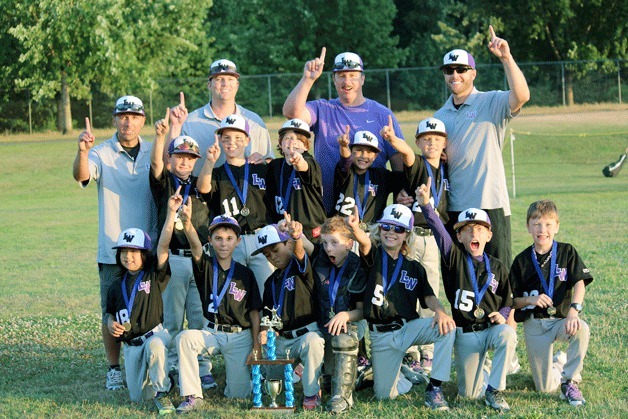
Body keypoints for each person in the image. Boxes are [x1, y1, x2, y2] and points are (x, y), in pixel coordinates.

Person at [73, 95, 157, 390]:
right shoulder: (101, 152)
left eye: (134, 116)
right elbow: (82, 175)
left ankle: (157, 363)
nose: (128, 121)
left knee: (153, 309)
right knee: (111, 312)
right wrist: (82, 151)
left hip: (149, 251)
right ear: (114, 120)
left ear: (142, 121)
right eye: (122, 115)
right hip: (112, 250)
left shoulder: (153, 151)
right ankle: (114, 369)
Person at [434, 26, 530, 267]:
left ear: (473, 73)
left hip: (491, 204)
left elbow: (522, 96)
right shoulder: (439, 116)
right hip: (455, 208)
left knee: (499, 275)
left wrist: (506, 57)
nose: (454, 74)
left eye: (461, 69)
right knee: (461, 278)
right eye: (449, 70)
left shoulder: (491, 101)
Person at [417, 182, 516, 411]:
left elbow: (507, 300)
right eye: (468, 230)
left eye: (480, 229)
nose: (474, 233)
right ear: (459, 236)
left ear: (489, 236)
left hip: (490, 329)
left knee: (508, 334)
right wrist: (426, 206)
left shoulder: (498, 267)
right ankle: (481, 370)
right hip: (466, 334)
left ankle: (495, 391)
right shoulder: (454, 258)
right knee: (469, 395)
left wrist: (502, 315)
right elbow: (438, 230)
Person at [349, 203, 456, 409]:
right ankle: (404, 373)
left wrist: (441, 312)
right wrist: (355, 229)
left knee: (447, 328)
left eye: (398, 229)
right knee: (384, 396)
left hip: (408, 329)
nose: (391, 233)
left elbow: (429, 298)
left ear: (407, 234)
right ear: (379, 230)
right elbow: (364, 243)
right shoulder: (373, 257)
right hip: (381, 336)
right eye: (386, 227)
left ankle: (434, 387)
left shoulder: (414, 267)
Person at [283, 48, 406, 214]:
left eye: (353, 75)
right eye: (341, 75)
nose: (346, 82)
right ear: (334, 79)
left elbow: (397, 160)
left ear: (362, 79)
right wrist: (308, 79)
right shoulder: (323, 108)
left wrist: (400, 194)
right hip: (327, 209)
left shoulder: (382, 113)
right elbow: (292, 114)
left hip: (370, 212)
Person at [174, 211, 262, 413]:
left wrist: (256, 344)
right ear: (210, 241)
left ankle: (241, 382)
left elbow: (254, 312)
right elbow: (196, 248)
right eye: (219, 239)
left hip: (239, 336)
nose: (224, 244)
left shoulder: (245, 273)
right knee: (185, 338)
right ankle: (193, 395)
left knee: (239, 395)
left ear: (238, 241)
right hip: (211, 333)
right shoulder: (204, 266)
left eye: (229, 239)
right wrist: (187, 223)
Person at [150, 105, 213, 386]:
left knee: (199, 318)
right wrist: (161, 137)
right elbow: (155, 165)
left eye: (190, 158)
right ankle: (175, 366)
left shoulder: (202, 186)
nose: (185, 162)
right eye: (179, 157)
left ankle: (202, 367)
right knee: (173, 320)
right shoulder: (164, 183)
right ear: (171, 158)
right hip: (173, 258)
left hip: (199, 259)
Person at [104, 191, 181, 414]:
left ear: (145, 255)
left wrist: (171, 213)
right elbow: (109, 313)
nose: (129, 256)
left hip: (154, 335)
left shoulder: (153, 275)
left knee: (156, 347)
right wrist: (110, 323)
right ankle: (167, 376)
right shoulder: (116, 286)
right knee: (138, 397)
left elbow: (164, 246)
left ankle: (163, 392)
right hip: (131, 345)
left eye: (135, 252)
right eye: (124, 252)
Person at [510, 200, 593, 406]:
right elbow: (511, 301)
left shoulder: (567, 251)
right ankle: (558, 363)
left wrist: (574, 311)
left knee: (581, 328)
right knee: (544, 388)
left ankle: (570, 380)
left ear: (556, 226)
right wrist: (531, 299)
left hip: (561, 320)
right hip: (535, 324)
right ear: (528, 227)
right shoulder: (521, 261)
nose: (542, 230)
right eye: (536, 224)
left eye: (548, 224)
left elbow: (580, 284)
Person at [195, 114, 274, 295]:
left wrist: (265, 160)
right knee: (234, 294)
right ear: (221, 141)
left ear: (247, 140)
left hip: (259, 237)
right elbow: (203, 189)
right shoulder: (217, 172)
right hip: (231, 240)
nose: (232, 143)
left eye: (238, 138)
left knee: (266, 293)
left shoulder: (260, 168)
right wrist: (210, 160)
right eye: (227, 138)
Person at [253, 215, 325, 411]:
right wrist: (265, 331)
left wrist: (296, 238)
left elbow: (300, 253)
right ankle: (295, 376)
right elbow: (269, 317)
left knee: (313, 342)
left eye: (275, 250)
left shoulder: (301, 267)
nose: (273, 257)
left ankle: (311, 394)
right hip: (284, 339)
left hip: (307, 333)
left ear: (287, 244)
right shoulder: (270, 283)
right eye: (267, 255)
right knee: (270, 382)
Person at [297, 216, 368, 413]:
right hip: (324, 324)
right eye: (325, 242)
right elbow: (303, 242)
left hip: (351, 324)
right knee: (329, 377)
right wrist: (294, 231)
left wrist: (345, 315)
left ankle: (342, 399)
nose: (328, 248)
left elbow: (363, 312)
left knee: (343, 338)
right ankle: (340, 378)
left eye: (335, 243)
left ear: (349, 244)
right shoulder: (321, 257)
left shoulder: (357, 267)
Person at [181, 59, 274, 173]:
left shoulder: (254, 121)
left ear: (237, 85)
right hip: (202, 189)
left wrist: (262, 161)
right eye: (219, 79)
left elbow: (269, 160)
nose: (225, 84)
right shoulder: (190, 123)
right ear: (209, 85)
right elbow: (174, 164)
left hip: (244, 189)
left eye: (230, 79)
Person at [334, 121, 409, 229]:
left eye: (369, 152)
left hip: (372, 233)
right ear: (352, 151)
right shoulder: (344, 172)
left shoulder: (382, 176)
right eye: (359, 150)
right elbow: (345, 161)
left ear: (375, 156)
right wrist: (344, 147)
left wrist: (394, 141)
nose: (364, 156)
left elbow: (410, 174)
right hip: (344, 231)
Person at [266, 119, 327, 241]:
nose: (293, 142)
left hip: (310, 232)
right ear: (281, 143)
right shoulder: (276, 166)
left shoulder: (311, 162)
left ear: (305, 146)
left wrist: (299, 161)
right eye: (288, 138)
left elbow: (304, 167)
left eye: (299, 139)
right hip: (284, 230)